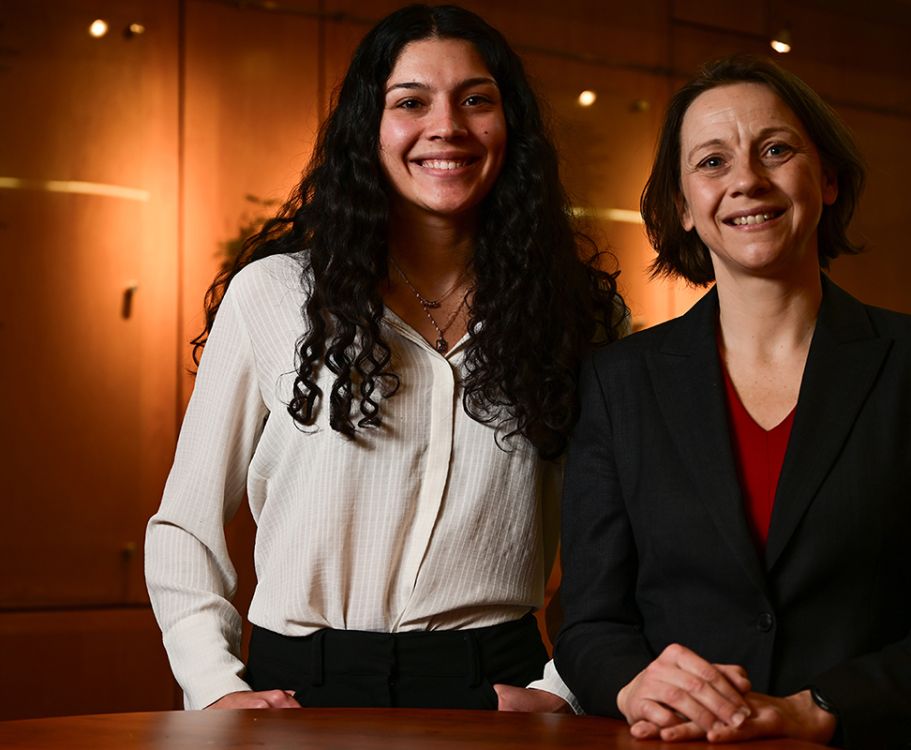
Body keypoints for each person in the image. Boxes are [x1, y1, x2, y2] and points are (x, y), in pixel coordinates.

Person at [145, 4, 621, 712]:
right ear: (369, 127)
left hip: (498, 689)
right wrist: (215, 686)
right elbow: (186, 524)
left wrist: (560, 690)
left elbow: (611, 535)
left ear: (510, 125)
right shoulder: (274, 295)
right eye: (410, 102)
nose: (447, 127)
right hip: (299, 689)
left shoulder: (577, 315)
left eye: (476, 100)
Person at [554, 54, 911, 748]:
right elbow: (587, 623)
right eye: (711, 162)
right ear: (683, 208)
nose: (746, 181)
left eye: (776, 149)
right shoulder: (619, 382)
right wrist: (632, 682)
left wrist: (820, 707)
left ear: (825, 177)